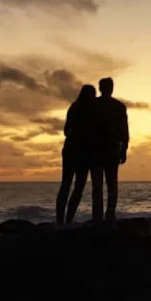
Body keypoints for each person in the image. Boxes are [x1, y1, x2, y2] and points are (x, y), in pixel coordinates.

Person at [55, 84, 97, 225]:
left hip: (71, 151)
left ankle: (61, 220)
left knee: (67, 185)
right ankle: (67, 220)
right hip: (83, 153)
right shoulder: (91, 111)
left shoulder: (74, 107)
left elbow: (66, 130)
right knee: (77, 186)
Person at [90, 77, 129, 223]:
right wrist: (124, 149)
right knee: (112, 185)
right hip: (111, 150)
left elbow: (87, 129)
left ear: (100, 88)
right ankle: (110, 215)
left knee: (97, 186)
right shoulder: (119, 106)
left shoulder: (93, 105)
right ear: (111, 88)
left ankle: (97, 217)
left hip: (96, 151)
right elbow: (125, 131)